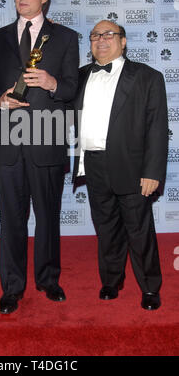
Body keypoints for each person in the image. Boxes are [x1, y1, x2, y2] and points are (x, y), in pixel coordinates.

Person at [0, 0, 79, 314]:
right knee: (12, 218)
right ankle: (11, 287)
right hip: (8, 140)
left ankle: (48, 279)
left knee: (47, 215)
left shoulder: (66, 37)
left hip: (48, 138)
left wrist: (53, 83)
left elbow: (72, 87)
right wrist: (0, 99)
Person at [72, 19, 168, 310]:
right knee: (107, 228)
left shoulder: (147, 77)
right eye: (95, 36)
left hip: (133, 166)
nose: (101, 40)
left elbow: (157, 127)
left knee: (139, 230)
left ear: (123, 41)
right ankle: (111, 280)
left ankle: (150, 287)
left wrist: (152, 172)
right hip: (94, 163)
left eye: (108, 34)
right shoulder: (78, 76)